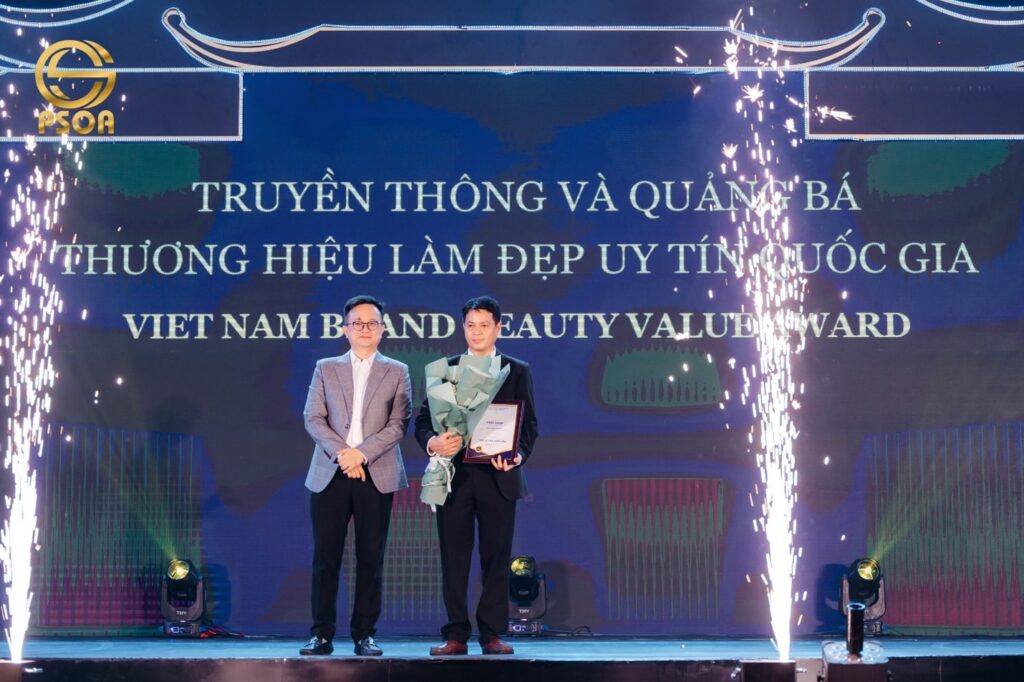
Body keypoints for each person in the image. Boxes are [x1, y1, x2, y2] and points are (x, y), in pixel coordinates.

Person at [415, 295, 539, 656]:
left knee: (496, 559)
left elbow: (529, 426)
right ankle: (455, 633)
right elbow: (422, 421)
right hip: (453, 476)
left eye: (485, 325)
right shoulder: (446, 369)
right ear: (463, 327)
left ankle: (491, 634)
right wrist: (433, 442)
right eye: (471, 325)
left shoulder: (516, 370)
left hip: (499, 477)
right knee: (453, 558)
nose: (477, 331)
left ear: (498, 328)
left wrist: (516, 455)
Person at [299, 295, 412, 656]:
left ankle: (365, 634)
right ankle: (321, 634)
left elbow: (398, 424)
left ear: (382, 329)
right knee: (325, 557)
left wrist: (361, 454)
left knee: (370, 557)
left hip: (376, 472)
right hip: (330, 472)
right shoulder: (325, 368)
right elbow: (313, 418)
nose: (365, 329)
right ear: (344, 329)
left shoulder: (397, 370)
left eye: (372, 323)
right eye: (357, 323)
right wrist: (344, 455)